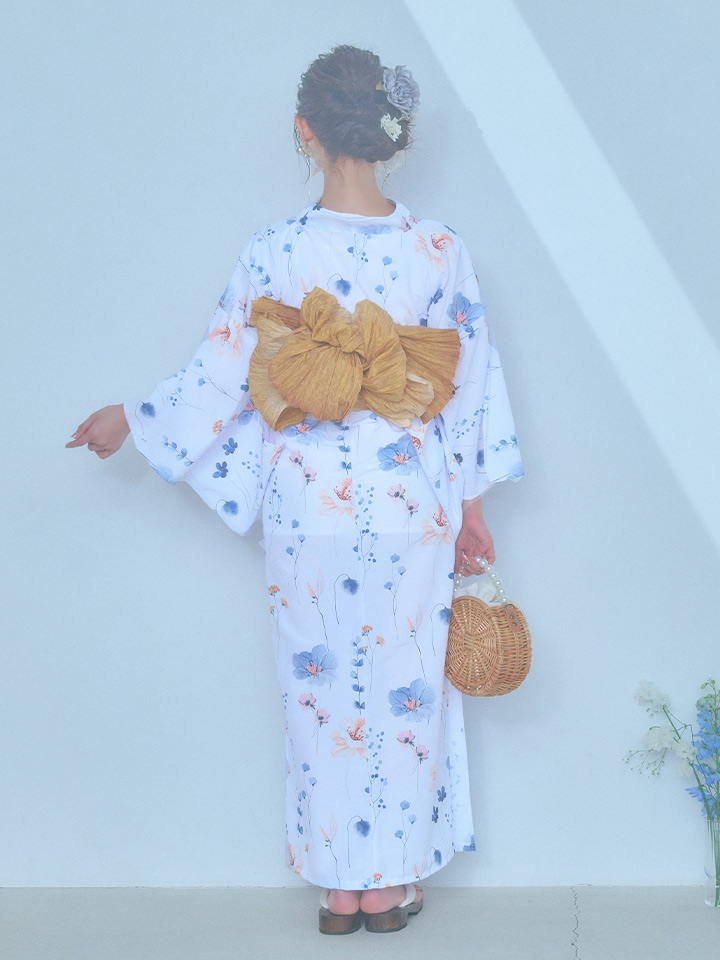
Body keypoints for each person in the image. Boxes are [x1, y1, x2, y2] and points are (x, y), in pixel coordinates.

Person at [66, 45, 523, 934]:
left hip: (309, 501)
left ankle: (338, 889)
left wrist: (133, 416)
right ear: (391, 135)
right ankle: (388, 887)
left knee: (318, 691)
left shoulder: (275, 250)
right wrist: (471, 509)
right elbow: (468, 392)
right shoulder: (438, 250)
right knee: (404, 689)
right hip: (408, 502)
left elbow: (219, 375)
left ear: (305, 133)